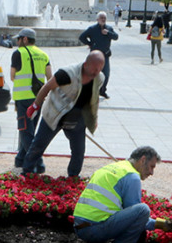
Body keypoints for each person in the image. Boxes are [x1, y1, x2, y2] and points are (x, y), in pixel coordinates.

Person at [73, 146, 172, 243]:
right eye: (152, 166)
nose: (151, 173)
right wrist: (162, 224)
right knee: (143, 210)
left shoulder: (112, 167)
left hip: (80, 227)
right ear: (142, 160)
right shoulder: (132, 176)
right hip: (94, 230)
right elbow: (137, 215)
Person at [20, 50, 105, 178]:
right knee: (38, 144)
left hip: (77, 119)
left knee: (79, 151)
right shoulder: (67, 73)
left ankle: (73, 176)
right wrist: (35, 105)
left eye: (99, 69)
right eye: (94, 69)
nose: (96, 73)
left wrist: (94, 118)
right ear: (86, 64)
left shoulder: (99, 78)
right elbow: (47, 87)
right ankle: (27, 172)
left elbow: (94, 99)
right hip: (55, 114)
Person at [10, 27, 52, 173]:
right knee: (30, 128)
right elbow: (49, 78)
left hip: (23, 99)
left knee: (26, 131)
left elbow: (12, 75)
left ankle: (38, 163)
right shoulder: (43, 54)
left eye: (19, 39)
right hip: (38, 98)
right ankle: (20, 159)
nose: (17, 41)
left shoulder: (18, 53)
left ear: (25, 39)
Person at [78, 11, 118, 99]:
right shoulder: (92, 29)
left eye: (104, 18)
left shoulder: (109, 28)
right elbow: (82, 37)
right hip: (94, 56)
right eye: (101, 18)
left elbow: (116, 37)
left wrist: (108, 33)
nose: (103, 20)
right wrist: (90, 44)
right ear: (97, 19)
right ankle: (90, 91)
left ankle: (102, 90)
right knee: (92, 73)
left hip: (105, 55)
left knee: (106, 74)